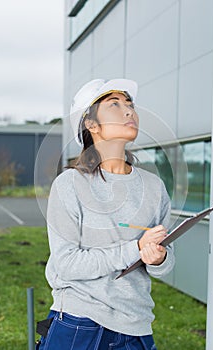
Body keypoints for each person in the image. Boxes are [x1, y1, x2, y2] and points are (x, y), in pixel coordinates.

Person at [36, 78, 175, 350]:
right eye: (114, 105)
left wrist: (159, 257)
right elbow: (66, 264)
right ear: (92, 124)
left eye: (130, 105)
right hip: (80, 323)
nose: (129, 112)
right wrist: (135, 248)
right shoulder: (70, 185)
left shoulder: (153, 187)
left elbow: (166, 264)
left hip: (137, 328)